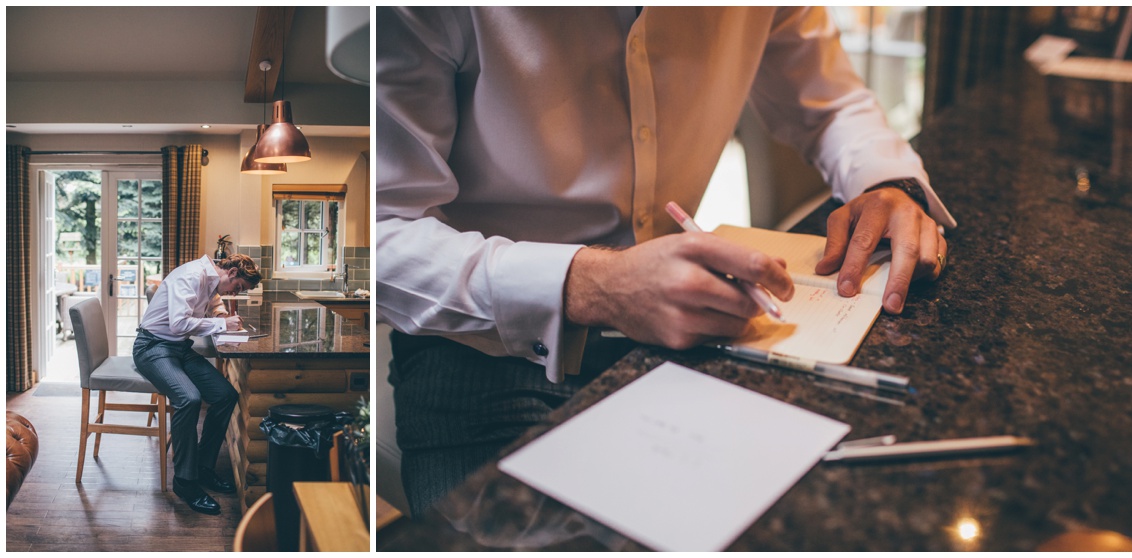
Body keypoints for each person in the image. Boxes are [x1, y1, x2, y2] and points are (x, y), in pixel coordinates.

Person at [377, 7, 958, 514]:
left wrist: (889, 182)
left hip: (679, 338)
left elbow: (830, 105)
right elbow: (379, 239)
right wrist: (592, 285)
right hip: (479, 359)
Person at [133, 253, 260, 515]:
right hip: (152, 348)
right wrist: (221, 323)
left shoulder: (210, 279)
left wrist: (221, 312)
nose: (235, 292)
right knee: (188, 399)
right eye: (237, 287)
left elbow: (213, 299)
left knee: (225, 395)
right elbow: (179, 324)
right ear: (232, 272)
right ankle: (185, 481)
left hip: (178, 349)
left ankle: (203, 467)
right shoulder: (192, 276)